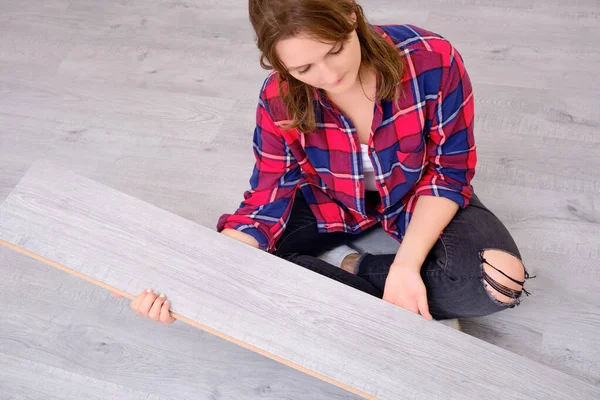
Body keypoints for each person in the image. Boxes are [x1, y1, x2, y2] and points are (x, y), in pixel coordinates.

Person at [114, 0, 535, 325]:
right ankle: (402, 304)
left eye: (335, 50)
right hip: (324, 202)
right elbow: (263, 206)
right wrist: (182, 287)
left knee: (499, 280)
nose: (330, 75)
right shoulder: (277, 97)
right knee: (235, 267)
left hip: (414, 196)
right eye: (303, 67)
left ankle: (350, 271)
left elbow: (450, 172)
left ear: (352, 15)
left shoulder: (432, 59)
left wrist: (405, 266)